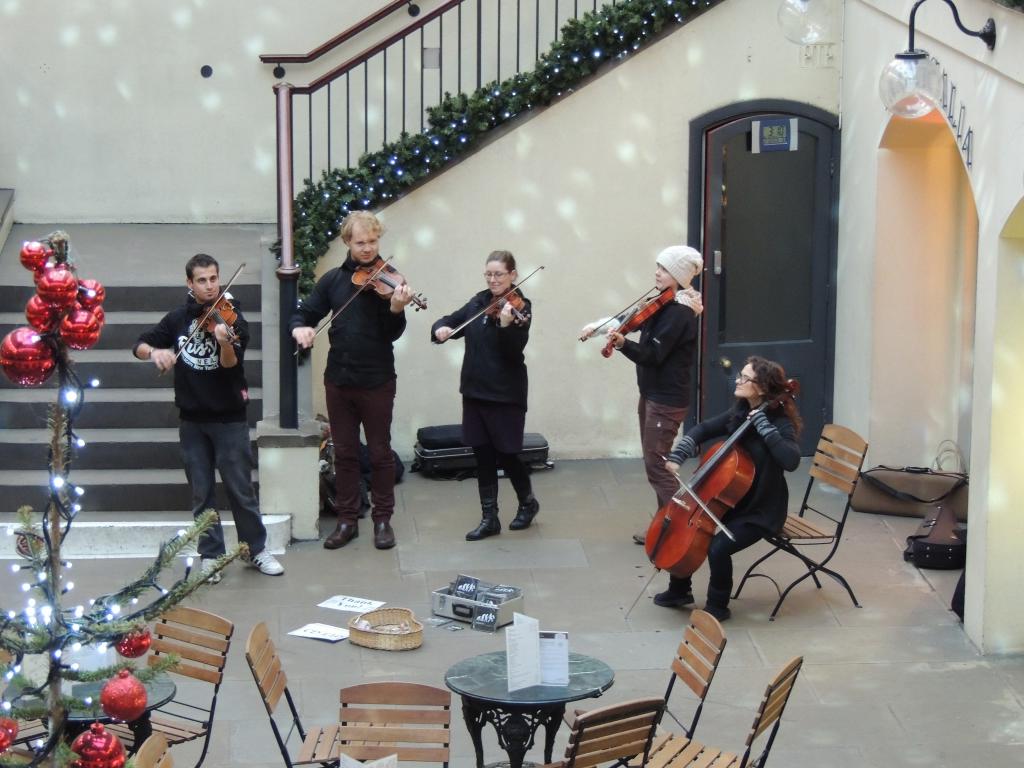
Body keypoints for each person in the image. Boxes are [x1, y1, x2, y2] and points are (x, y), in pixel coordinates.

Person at [133, 253, 284, 581]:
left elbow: (231, 364)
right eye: (202, 280)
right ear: (190, 283)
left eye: (214, 278)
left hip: (229, 418)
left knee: (240, 489)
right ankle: (211, 556)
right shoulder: (177, 319)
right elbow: (140, 344)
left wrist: (224, 343)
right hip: (192, 421)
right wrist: (155, 352)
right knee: (202, 493)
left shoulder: (232, 318)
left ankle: (255, 550)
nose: (210, 286)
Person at [291, 211, 414, 551]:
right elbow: (304, 313)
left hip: (376, 379)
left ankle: (383, 520)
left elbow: (393, 334)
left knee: (380, 453)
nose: (368, 248)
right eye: (360, 242)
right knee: (344, 453)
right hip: (340, 380)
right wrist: (299, 327)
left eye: (373, 241)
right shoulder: (332, 281)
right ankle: (347, 520)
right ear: (347, 242)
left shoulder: (388, 281)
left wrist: (396, 308)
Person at [656, 356, 802, 621]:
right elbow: (702, 429)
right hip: (732, 502)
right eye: (740, 375)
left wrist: (765, 428)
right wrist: (678, 455)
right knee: (686, 532)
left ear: (762, 387)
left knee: (718, 546)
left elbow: (791, 460)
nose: (738, 380)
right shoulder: (740, 411)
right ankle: (679, 590)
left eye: (745, 378)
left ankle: (718, 606)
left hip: (760, 510)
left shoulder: (780, 422)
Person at [580, 246, 703, 543]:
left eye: (662, 269)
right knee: (656, 463)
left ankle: (689, 525)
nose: (657, 273)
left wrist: (623, 345)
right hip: (651, 393)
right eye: (658, 267)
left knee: (657, 467)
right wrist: (598, 327)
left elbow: (653, 355)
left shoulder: (680, 313)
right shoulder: (663, 303)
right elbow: (630, 318)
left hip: (666, 399)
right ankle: (666, 525)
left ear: (677, 275)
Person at [431, 250, 539, 540]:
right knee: (482, 455)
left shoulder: (521, 308)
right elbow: (451, 320)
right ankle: (489, 518)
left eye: (499, 274)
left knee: (508, 454)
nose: (493, 280)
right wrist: (441, 328)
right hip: (475, 391)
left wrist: (505, 326)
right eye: (489, 274)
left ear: (513, 275)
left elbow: (513, 351)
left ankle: (528, 503)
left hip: (505, 394)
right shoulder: (478, 302)